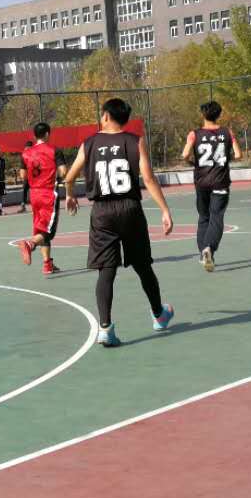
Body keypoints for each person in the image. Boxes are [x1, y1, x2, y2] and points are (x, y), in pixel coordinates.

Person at [63, 98, 174, 347]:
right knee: (143, 266)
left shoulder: (89, 143)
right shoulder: (135, 141)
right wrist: (165, 210)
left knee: (106, 270)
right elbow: (148, 178)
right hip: (130, 209)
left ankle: (105, 328)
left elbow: (69, 177)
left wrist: (70, 194)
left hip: (102, 212)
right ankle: (159, 315)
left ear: (105, 116)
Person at [182, 100, 242, 273]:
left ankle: (203, 252)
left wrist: (193, 163)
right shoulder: (227, 132)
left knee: (204, 217)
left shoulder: (194, 134)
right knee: (217, 217)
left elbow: (184, 154)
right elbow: (239, 154)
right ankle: (209, 248)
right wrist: (225, 160)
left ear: (203, 114)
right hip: (220, 181)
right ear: (219, 115)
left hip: (202, 182)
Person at [18, 124, 66, 275]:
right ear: (47, 134)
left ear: (34, 136)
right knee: (48, 231)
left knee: (40, 228)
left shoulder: (26, 153)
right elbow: (63, 171)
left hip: (34, 194)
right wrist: (57, 176)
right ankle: (30, 244)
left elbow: (23, 175)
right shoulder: (54, 150)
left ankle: (47, 264)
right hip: (48, 193)